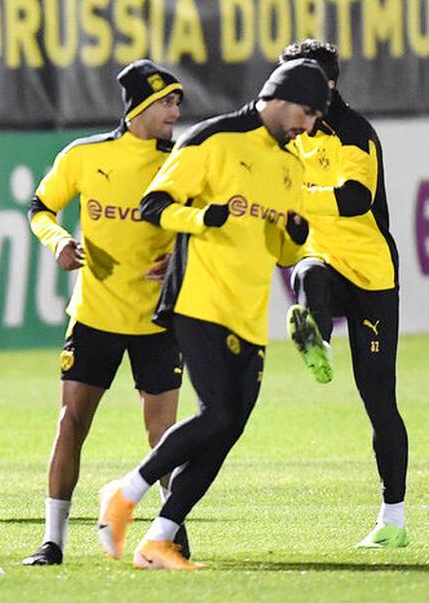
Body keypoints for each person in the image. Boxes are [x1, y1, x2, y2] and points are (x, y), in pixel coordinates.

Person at [95, 59, 328, 569]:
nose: (309, 127)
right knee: (217, 414)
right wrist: (202, 217)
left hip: (249, 311)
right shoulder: (212, 138)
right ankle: (126, 492)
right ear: (281, 97)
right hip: (198, 299)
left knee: (229, 427)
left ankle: (158, 540)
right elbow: (155, 205)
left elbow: (284, 254)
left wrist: (294, 239)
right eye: (307, 113)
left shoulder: (292, 166)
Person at [22, 60, 186, 566]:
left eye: (177, 102)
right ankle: (53, 541)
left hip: (158, 318)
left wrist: (181, 255)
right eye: (165, 102)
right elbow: (40, 208)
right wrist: (58, 241)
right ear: (138, 107)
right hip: (94, 315)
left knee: (164, 438)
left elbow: (202, 223)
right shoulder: (85, 155)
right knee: (71, 423)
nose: (175, 112)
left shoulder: (183, 160)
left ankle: (170, 535)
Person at [278, 39, 409, 549]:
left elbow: (357, 199)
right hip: (325, 259)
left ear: (327, 85)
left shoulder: (355, 134)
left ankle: (393, 520)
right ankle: (319, 343)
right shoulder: (289, 134)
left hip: (372, 276)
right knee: (306, 273)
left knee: (379, 401)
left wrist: (294, 197)